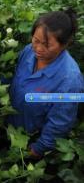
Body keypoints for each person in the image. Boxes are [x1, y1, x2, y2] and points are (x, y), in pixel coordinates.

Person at [8, 9, 84, 157]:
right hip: (11, 126)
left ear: (65, 44)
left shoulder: (70, 81)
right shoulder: (29, 51)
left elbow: (60, 123)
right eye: (36, 40)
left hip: (30, 141)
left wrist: (38, 149)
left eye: (47, 45)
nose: (38, 48)